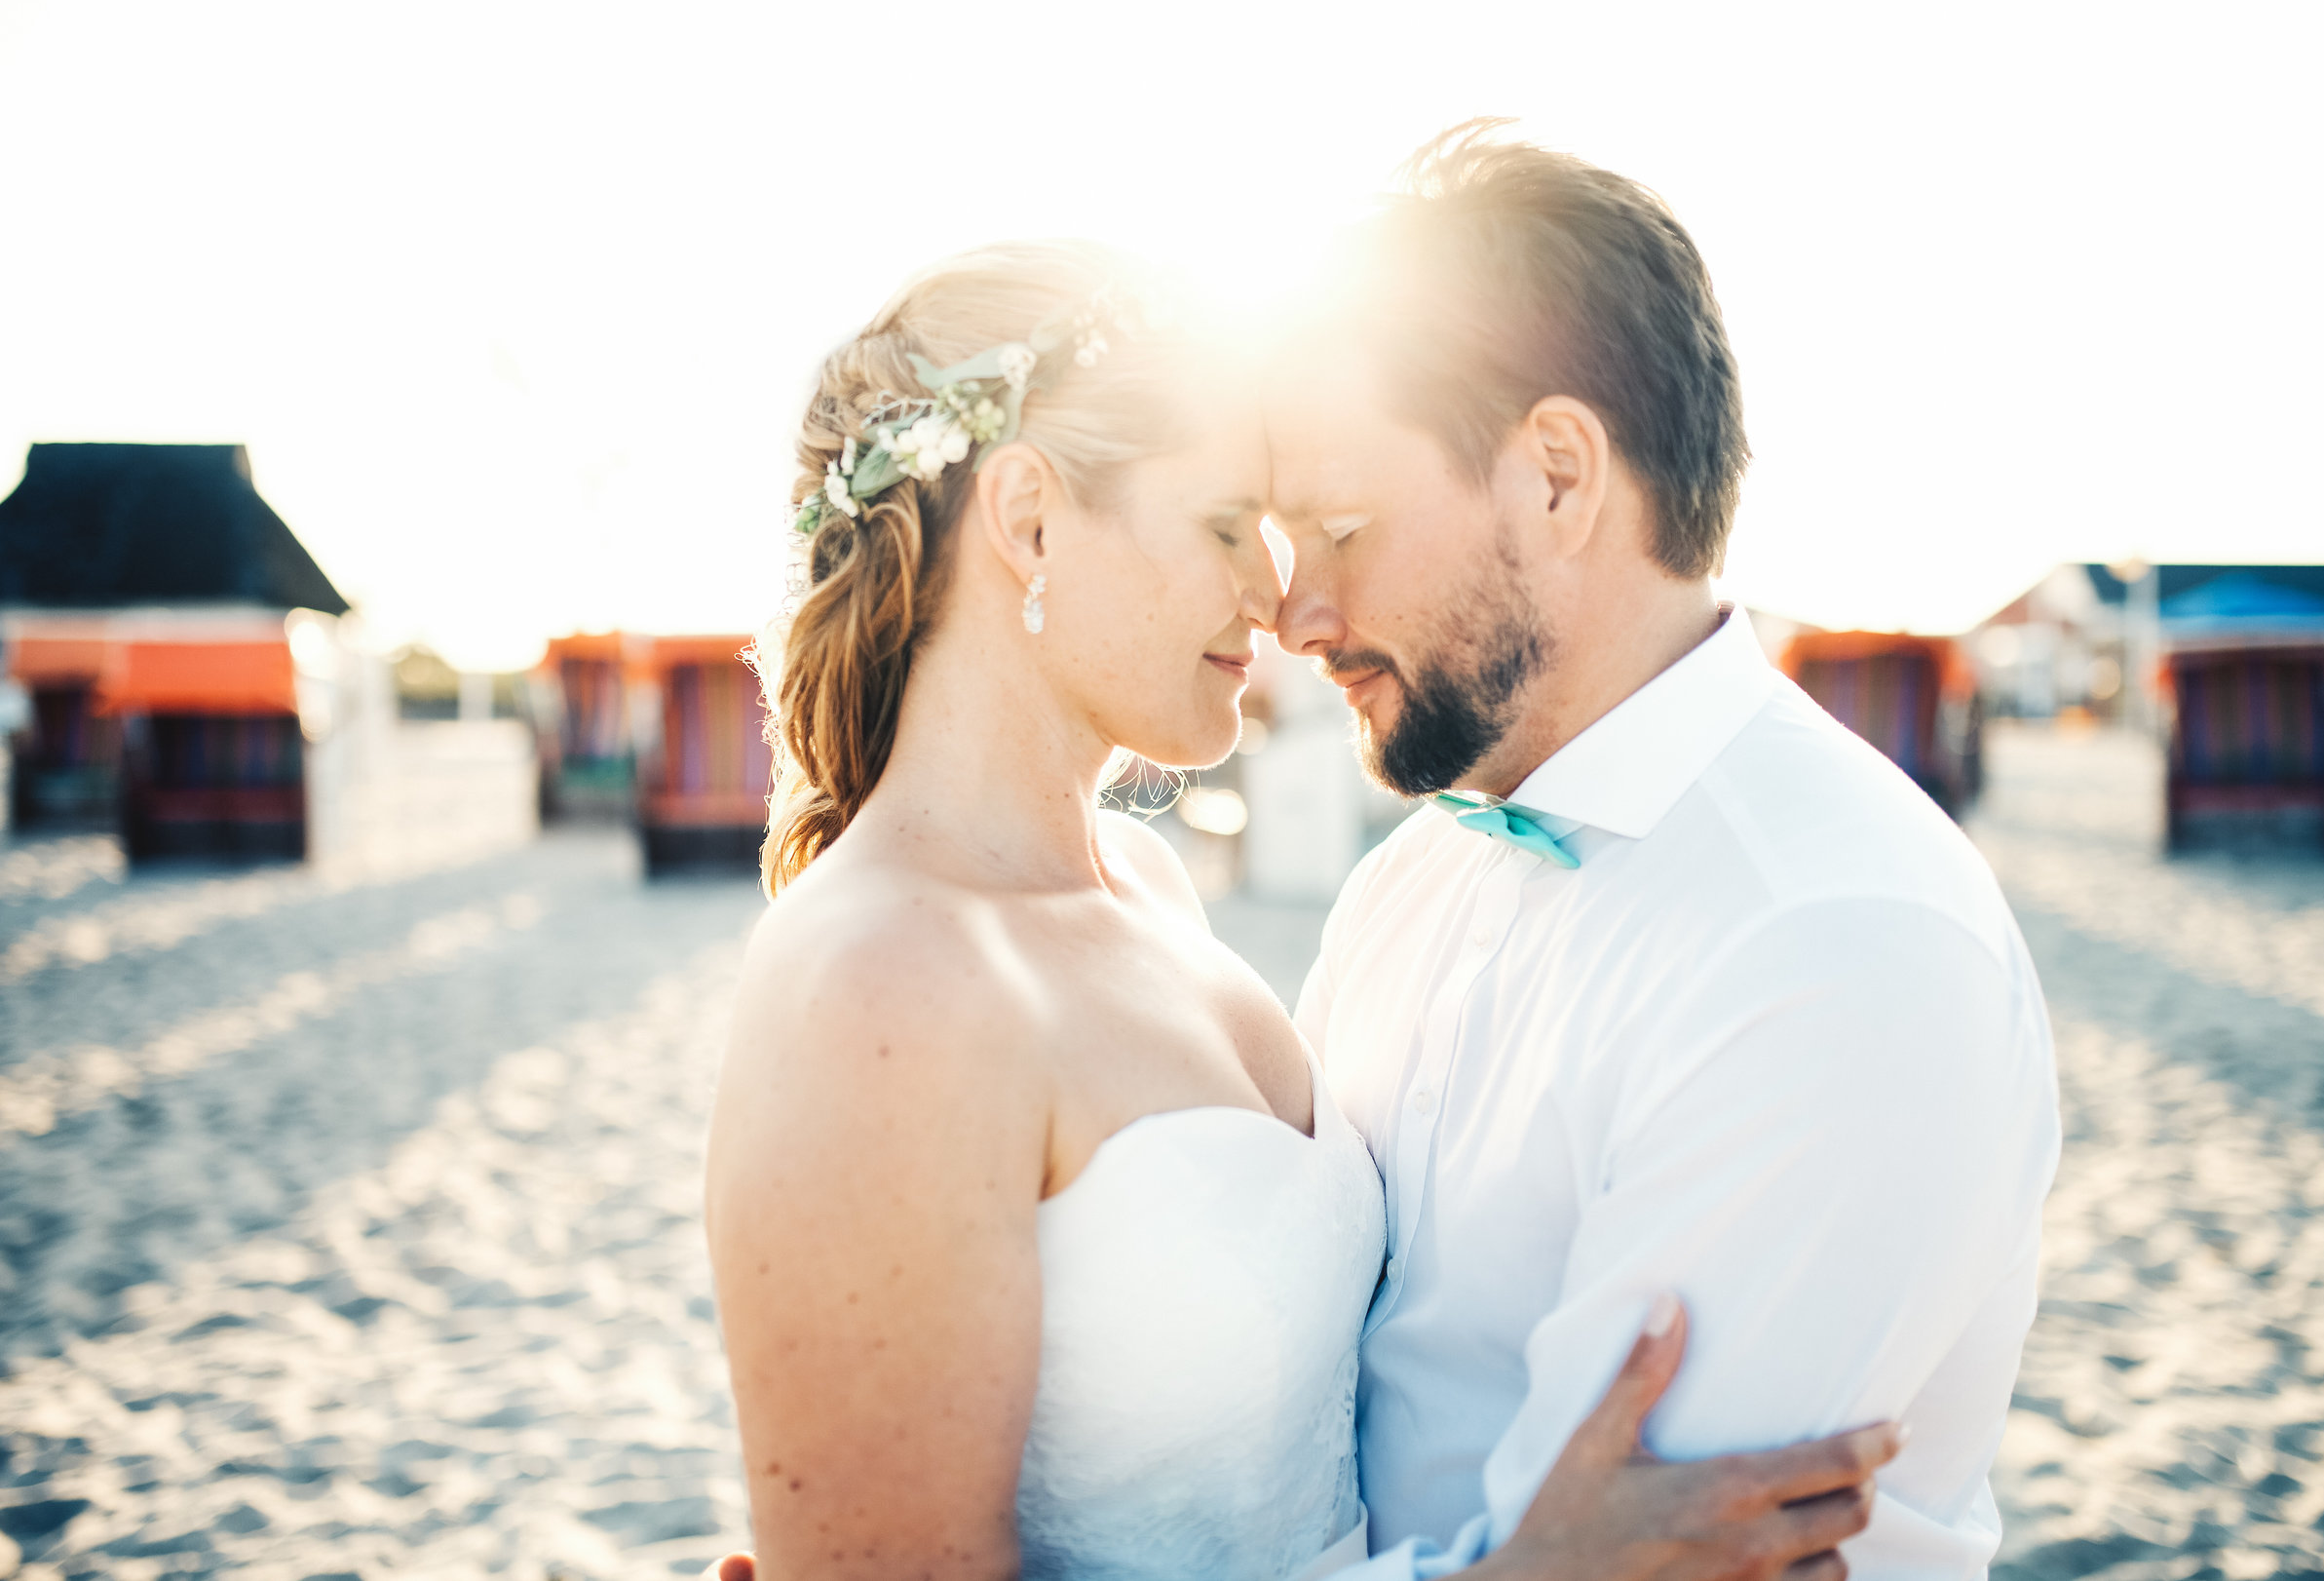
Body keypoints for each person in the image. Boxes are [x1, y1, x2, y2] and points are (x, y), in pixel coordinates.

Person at [704, 239, 1898, 1581]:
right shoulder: (876, 982)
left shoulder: (1140, 887)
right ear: (1030, 521)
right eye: (1225, 526)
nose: (1280, 599)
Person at [1259, 122, 2062, 1579]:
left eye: (1342, 527)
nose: (1294, 614)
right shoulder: (1407, 882)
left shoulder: (1832, 939)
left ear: (1559, 477)